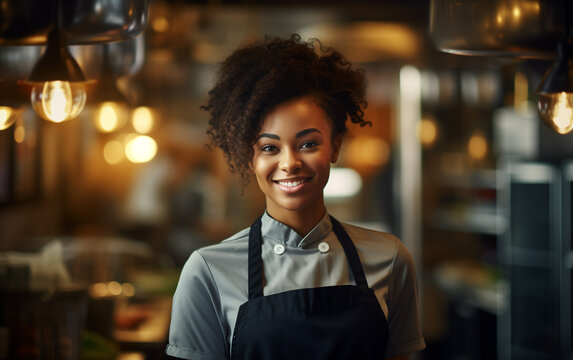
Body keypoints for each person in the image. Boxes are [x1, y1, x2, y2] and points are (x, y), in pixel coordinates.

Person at [166, 34, 425, 360]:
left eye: (308, 144)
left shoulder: (390, 259)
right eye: (270, 148)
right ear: (251, 158)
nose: (289, 163)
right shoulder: (207, 271)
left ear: (335, 146)